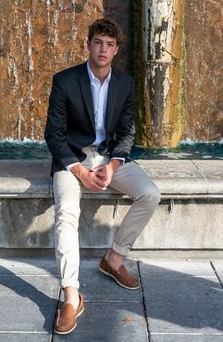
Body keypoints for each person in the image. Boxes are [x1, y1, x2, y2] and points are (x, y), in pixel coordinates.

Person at [44, 18, 160, 335]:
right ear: (88, 45)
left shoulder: (125, 83)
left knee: (150, 194)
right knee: (66, 214)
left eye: (109, 44)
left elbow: (126, 133)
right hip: (72, 159)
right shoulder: (65, 81)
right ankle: (71, 295)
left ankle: (114, 258)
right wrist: (80, 171)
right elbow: (53, 135)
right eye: (98, 42)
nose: (103, 49)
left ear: (116, 49)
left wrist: (111, 167)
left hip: (109, 158)